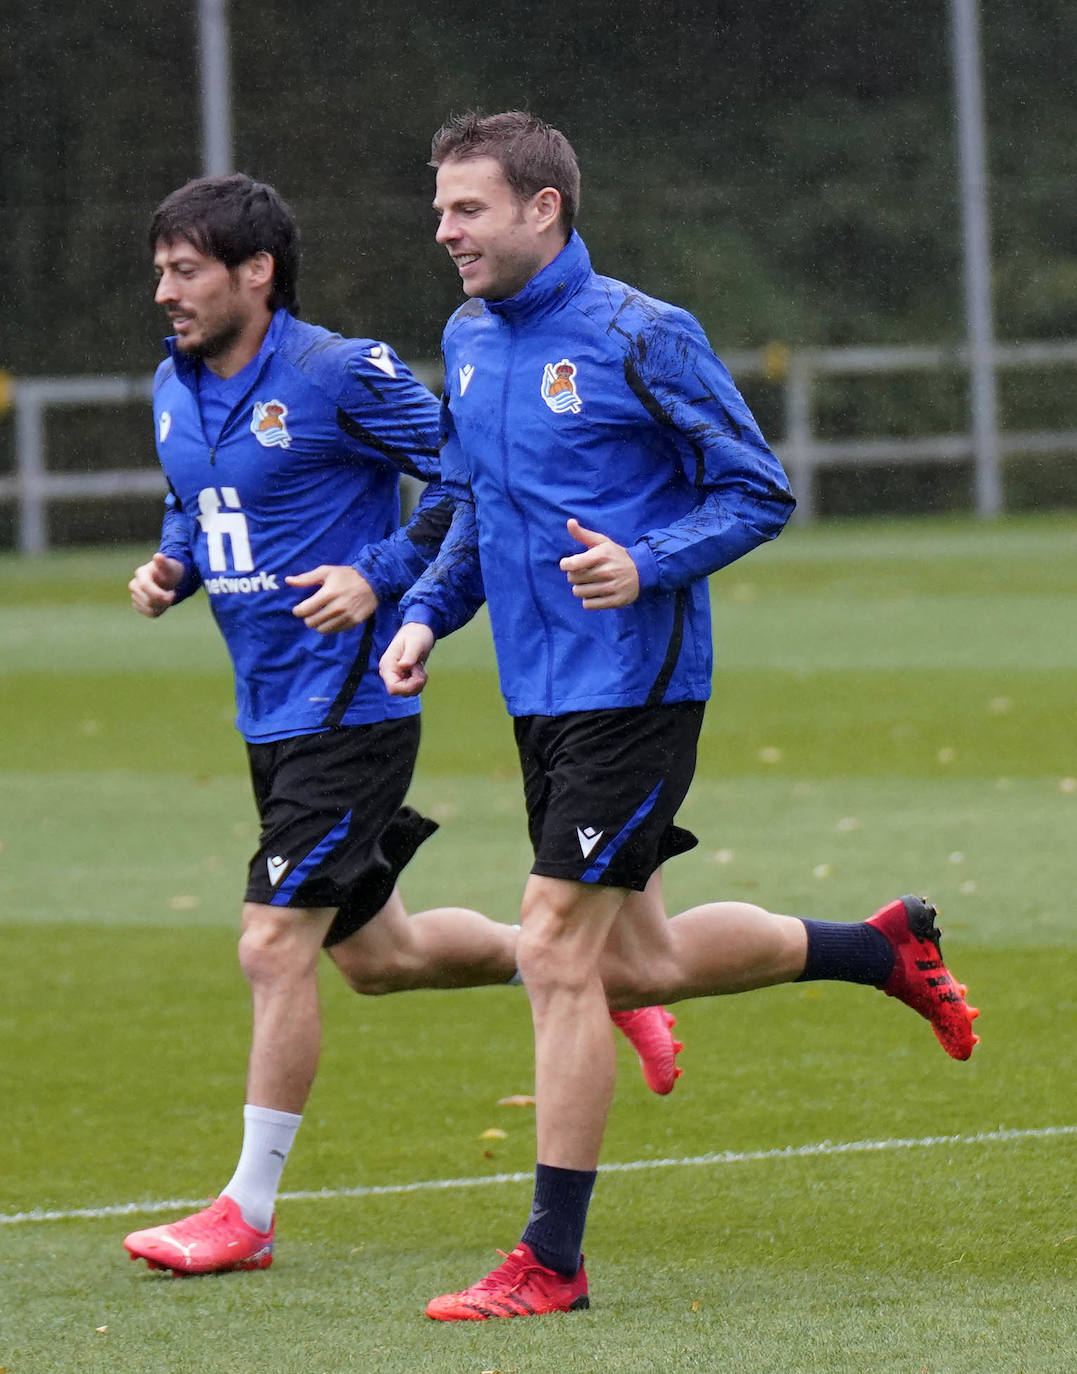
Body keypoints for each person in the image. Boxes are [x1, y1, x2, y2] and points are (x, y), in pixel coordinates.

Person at [380, 111, 981, 1321]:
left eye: (467, 208)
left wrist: (647, 563)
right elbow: (472, 507)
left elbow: (758, 488)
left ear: (544, 208)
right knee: (636, 962)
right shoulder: (468, 337)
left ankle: (552, 1261)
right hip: (540, 694)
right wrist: (422, 616)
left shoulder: (642, 334)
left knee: (555, 950)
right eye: (441, 208)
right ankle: (880, 948)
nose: (444, 231)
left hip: (638, 690)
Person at [120, 173, 684, 1278]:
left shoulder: (338, 373)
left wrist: (380, 576)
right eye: (159, 272)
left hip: (352, 703)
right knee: (383, 957)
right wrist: (173, 563)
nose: (164, 293)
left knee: (270, 943)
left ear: (256, 272)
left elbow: (470, 473)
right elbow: (199, 494)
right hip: (268, 708)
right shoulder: (172, 385)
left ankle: (246, 1211)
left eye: (183, 271)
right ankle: (580, 978)